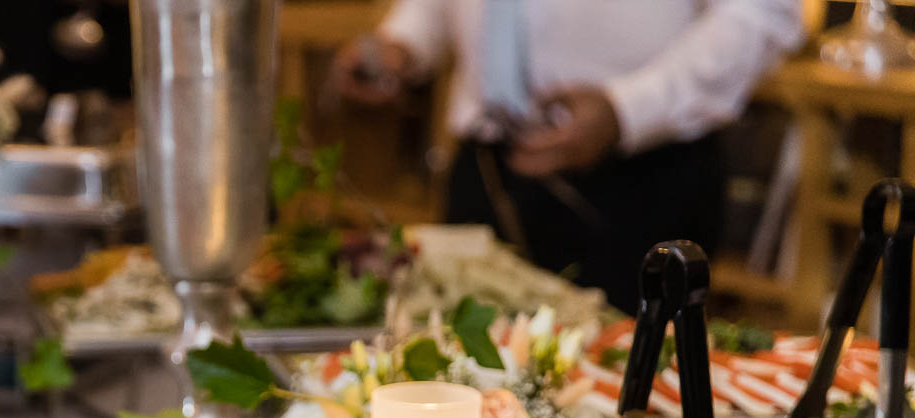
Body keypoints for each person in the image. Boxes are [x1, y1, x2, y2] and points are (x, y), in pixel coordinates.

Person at [333, 0, 805, 312]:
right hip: (483, 171)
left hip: (637, 179)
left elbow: (762, 13)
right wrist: (404, 41)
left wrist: (629, 109)